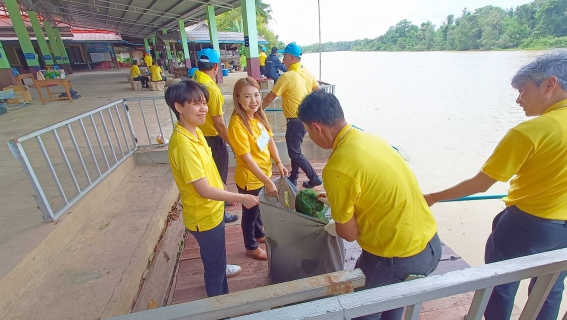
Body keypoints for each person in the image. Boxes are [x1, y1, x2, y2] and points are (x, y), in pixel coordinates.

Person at [424, 50, 567, 320]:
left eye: (523, 90)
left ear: (550, 85)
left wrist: (432, 197)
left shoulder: (530, 131)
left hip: (527, 226)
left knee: (500, 282)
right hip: (563, 230)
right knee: (550, 288)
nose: (518, 99)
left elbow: (481, 184)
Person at [298, 90, 441, 320]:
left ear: (317, 127)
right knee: (395, 299)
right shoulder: (371, 138)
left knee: (360, 310)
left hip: (397, 260)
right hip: (431, 246)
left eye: (307, 130)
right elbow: (370, 186)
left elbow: (349, 234)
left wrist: (337, 205)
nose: (309, 136)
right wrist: (339, 195)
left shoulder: (338, 167)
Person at [165, 80, 260, 297]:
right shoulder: (183, 145)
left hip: (213, 210)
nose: (204, 108)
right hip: (204, 215)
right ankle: (220, 306)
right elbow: (204, 190)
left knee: (216, 252)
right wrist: (242, 197)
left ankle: (221, 265)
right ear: (179, 107)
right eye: (196, 104)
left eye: (204, 103)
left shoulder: (195, 132)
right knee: (214, 269)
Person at [228, 77, 288, 261]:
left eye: (256, 95)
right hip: (251, 179)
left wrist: (278, 162)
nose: (253, 101)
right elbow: (246, 159)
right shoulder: (237, 124)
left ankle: (259, 234)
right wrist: (267, 181)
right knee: (250, 214)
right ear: (238, 98)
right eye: (247, 96)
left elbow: (269, 141)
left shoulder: (259, 116)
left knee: (258, 209)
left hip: (264, 174)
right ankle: (251, 246)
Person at [261, 42, 322, 188]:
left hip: (295, 121)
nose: (283, 60)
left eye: (285, 57)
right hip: (305, 120)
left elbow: (270, 97)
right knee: (295, 150)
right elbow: (319, 92)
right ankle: (294, 177)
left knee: (294, 153)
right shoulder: (307, 72)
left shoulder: (287, 76)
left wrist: (258, 110)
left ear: (292, 58)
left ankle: (314, 178)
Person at [193, 48, 238, 223]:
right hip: (212, 139)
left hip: (197, 136)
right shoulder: (212, 90)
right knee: (218, 176)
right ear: (216, 67)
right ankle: (220, 213)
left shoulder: (194, 82)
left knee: (206, 176)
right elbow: (219, 124)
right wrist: (233, 144)